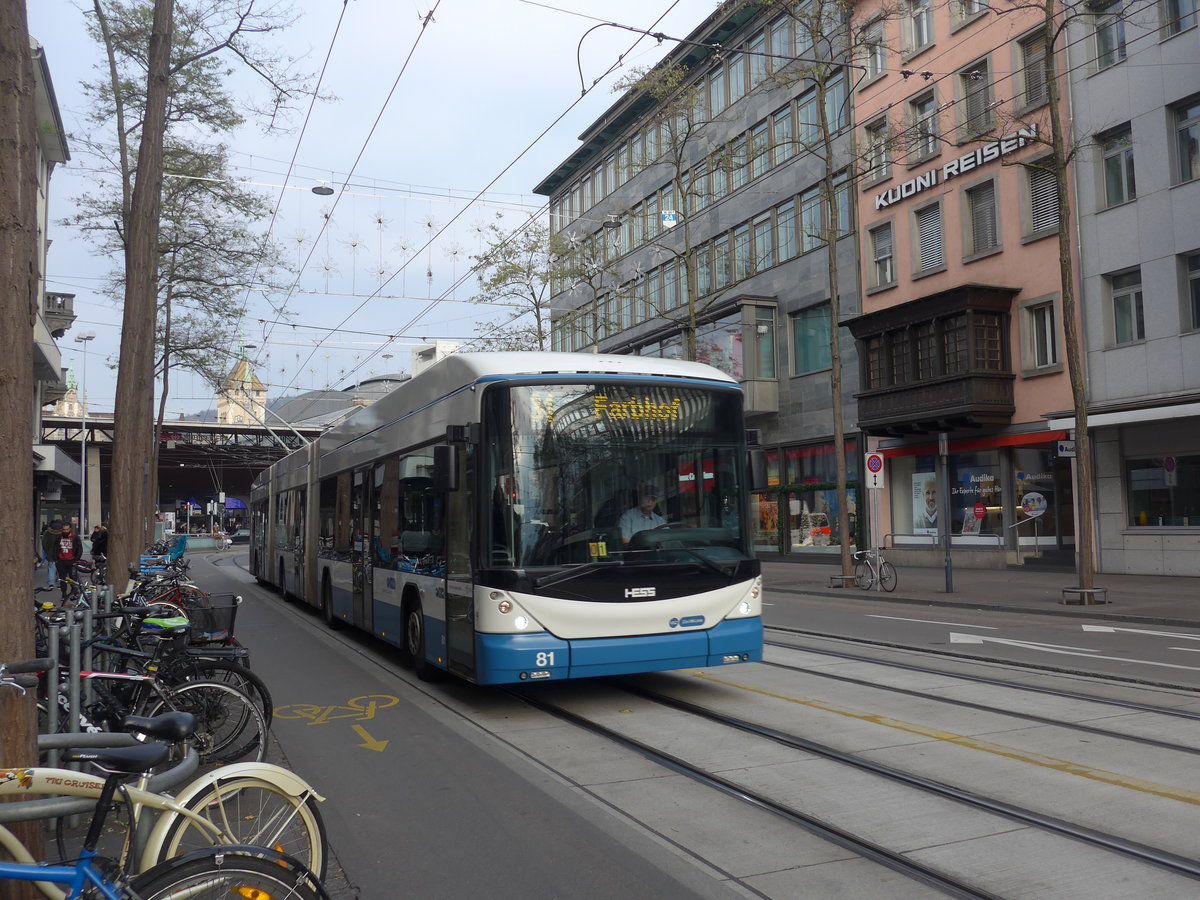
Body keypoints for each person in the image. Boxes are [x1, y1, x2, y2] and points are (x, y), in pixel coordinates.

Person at [54, 523, 84, 599]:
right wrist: (56, 559)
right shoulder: (59, 537)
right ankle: (64, 594)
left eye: (67, 529)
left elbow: (79, 548)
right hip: (61, 561)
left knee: (73, 578)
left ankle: (74, 592)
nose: (65, 531)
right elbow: (55, 548)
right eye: (64, 529)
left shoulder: (75, 537)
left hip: (72, 561)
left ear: (70, 529)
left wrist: (76, 560)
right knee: (62, 579)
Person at [41, 519, 63, 588]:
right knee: (60, 569)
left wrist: (47, 551)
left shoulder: (48, 532)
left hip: (50, 553)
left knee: (51, 568)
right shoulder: (62, 532)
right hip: (61, 554)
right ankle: (60, 583)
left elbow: (44, 543)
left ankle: (51, 583)